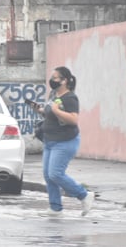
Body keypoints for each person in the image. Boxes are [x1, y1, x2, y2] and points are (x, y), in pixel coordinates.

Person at [35, 66, 94, 217]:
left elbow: (73, 119)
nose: (52, 80)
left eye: (55, 78)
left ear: (64, 80)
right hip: (50, 141)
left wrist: (56, 111)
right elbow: (52, 114)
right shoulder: (53, 95)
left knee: (55, 173)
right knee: (48, 176)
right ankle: (55, 208)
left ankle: (84, 195)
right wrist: (42, 111)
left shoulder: (70, 98)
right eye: (52, 77)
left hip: (65, 142)